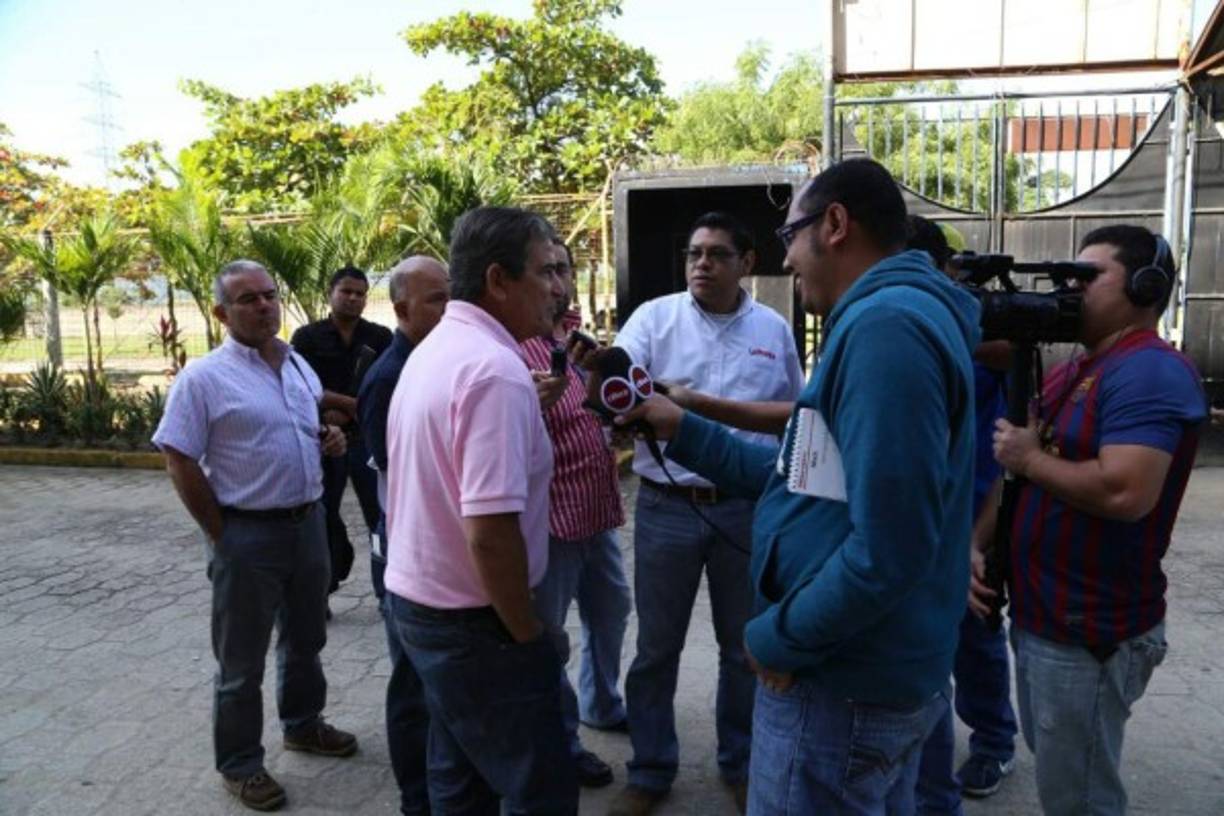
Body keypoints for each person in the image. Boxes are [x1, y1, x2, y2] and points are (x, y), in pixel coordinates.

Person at [620, 158, 981, 813]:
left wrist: (777, 637)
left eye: (790, 237)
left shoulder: (886, 331)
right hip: (863, 669)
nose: (786, 261)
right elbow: (804, 475)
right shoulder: (878, 320)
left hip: (846, 681)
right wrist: (687, 428)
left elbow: (890, 549)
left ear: (836, 224)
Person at [971, 225, 1208, 815]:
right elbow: (1017, 474)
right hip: (1046, 617)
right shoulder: (1073, 369)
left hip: (1090, 631)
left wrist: (1028, 456)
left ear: (1146, 287)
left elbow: (1126, 491)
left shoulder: (1149, 371)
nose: (1067, 292)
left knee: (1079, 797)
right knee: (1064, 774)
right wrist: (974, 547)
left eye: (1086, 278)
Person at [382, 207, 577, 814]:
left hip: (425, 610)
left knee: (460, 777)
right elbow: (490, 532)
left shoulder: (441, 348)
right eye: (546, 272)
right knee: (538, 784)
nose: (560, 288)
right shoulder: (495, 372)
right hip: (475, 625)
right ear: (498, 280)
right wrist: (526, 635)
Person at [608, 211, 804, 815]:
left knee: (743, 647)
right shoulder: (652, 319)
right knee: (655, 649)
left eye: (718, 253)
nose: (702, 263)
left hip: (745, 509)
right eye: (695, 253)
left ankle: (742, 764)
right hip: (667, 506)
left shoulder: (774, 329)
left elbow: (795, 416)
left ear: (747, 263)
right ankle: (650, 769)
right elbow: (617, 385)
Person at [153, 260, 358, 812]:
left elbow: (310, 423)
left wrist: (329, 438)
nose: (264, 305)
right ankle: (240, 763)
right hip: (246, 534)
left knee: (307, 639)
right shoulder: (204, 378)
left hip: (307, 523)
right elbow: (178, 457)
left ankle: (303, 724)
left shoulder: (297, 365)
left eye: (269, 295)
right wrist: (221, 533)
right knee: (241, 662)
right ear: (222, 313)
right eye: (248, 300)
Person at [905, 216, 1018, 816]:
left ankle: (994, 740)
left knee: (976, 626)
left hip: (979, 504)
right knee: (923, 632)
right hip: (922, 505)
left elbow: (1009, 353)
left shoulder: (975, 315)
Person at [520, 240, 629, 789]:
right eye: (548, 272)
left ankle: (602, 705)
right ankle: (563, 743)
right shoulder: (514, 350)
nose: (559, 282)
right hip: (551, 523)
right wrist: (528, 404)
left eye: (565, 269)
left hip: (597, 511)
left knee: (612, 612)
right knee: (550, 640)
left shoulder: (574, 339)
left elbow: (599, 415)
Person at [355, 255, 449, 816]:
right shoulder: (390, 377)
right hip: (403, 550)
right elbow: (389, 479)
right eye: (435, 299)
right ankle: (416, 798)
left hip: (426, 547)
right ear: (401, 309)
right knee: (412, 686)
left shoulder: (434, 363)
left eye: (450, 295)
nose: (448, 307)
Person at [291, 265, 393, 599]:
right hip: (323, 439)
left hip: (366, 441)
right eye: (345, 291)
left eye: (359, 293)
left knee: (379, 519)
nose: (352, 298)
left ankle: (386, 590)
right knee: (322, 519)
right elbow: (304, 388)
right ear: (330, 294)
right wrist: (349, 404)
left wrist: (347, 406)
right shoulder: (306, 338)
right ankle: (322, 591)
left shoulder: (379, 337)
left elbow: (388, 386)